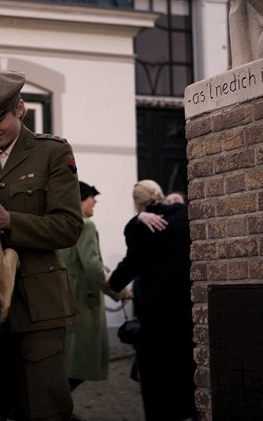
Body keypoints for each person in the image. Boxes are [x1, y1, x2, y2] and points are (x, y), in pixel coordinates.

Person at [0, 67, 84, 421]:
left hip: (38, 305)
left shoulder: (52, 153)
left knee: (46, 408)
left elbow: (69, 226)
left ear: (20, 109)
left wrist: (11, 221)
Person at [108, 180, 197, 421]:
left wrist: (137, 220)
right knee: (185, 368)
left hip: (156, 314)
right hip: (185, 310)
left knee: (157, 376)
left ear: (138, 204)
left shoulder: (142, 227)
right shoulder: (184, 215)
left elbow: (128, 266)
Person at [60, 182, 130, 395]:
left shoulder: (65, 224)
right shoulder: (86, 225)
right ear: (81, 199)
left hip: (68, 298)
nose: (95, 201)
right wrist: (120, 292)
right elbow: (93, 267)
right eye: (91, 196)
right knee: (81, 365)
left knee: (71, 363)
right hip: (85, 302)